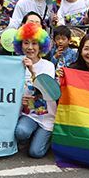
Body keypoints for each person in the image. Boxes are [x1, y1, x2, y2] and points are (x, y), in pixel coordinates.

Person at [13, 22, 55, 158]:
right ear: (20, 45)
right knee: (21, 132)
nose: (30, 47)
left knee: (35, 153)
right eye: (26, 43)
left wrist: (32, 71)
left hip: (46, 116)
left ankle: (47, 138)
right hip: (28, 114)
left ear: (41, 46)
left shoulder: (48, 66)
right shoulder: (15, 64)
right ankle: (29, 136)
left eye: (34, 43)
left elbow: (47, 92)